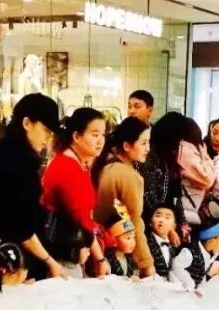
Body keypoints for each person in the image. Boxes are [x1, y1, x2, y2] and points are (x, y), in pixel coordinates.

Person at [0, 93, 66, 280]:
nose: (48, 138)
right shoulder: (17, 163)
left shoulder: (0, 152)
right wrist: (49, 261)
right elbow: (23, 228)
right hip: (15, 266)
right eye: (46, 130)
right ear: (27, 123)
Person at [41, 107, 109, 273]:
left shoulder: (76, 162)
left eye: (103, 135)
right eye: (94, 135)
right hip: (61, 256)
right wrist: (100, 259)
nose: (100, 141)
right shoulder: (68, 168)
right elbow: (82, 219)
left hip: (68, 251)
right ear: (77, 136)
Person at [92, 116, 154, 277]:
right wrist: (146, 263)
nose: (148, 148)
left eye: (148, 142)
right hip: (116, 252)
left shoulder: (104, 164)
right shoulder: (128, 175)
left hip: (97, 247)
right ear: (127, 146)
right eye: (143, 143)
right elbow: (133, 222)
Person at [171, 209, 219, 291]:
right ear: (212, 241)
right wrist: (189, 283)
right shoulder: (190, 252)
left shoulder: (208, 253)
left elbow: (202, 275)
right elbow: (176, 266)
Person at [146, 206, 180, 281]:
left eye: (167, 217)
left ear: (174, 226)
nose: (161, 220)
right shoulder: (145, 243)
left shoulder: (174, 247)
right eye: (158, 216)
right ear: (151, 222)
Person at [104, 213, 139, 279]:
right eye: (128, 238)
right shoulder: (107, 261)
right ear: (114, 240)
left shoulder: (131, 259)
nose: (133, 242)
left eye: (134, 237)